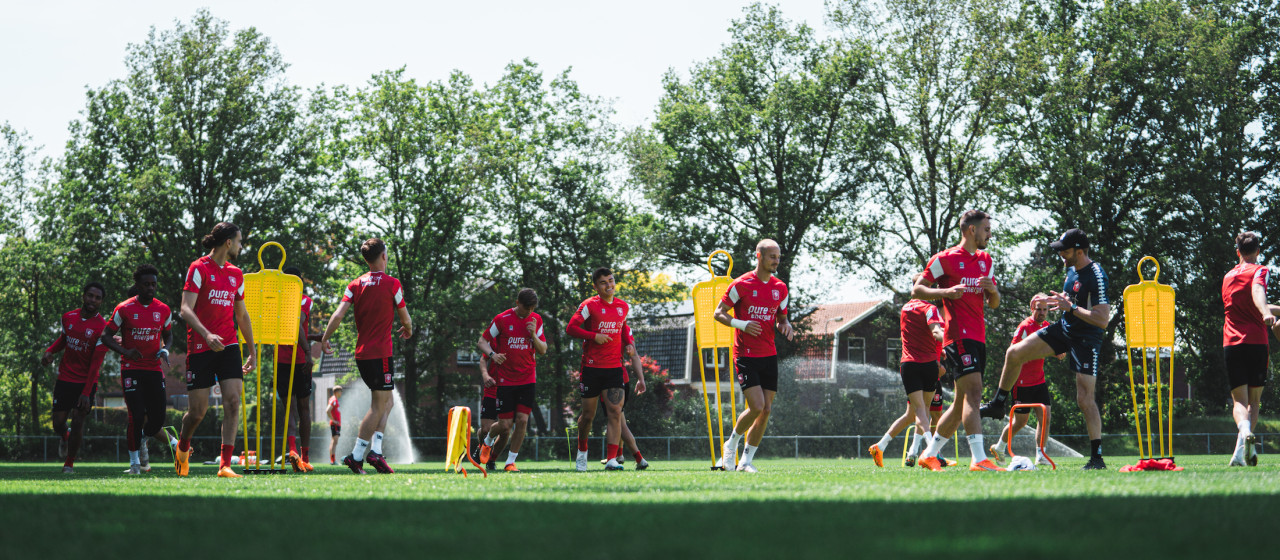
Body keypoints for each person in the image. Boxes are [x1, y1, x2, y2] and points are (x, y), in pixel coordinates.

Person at [980, 228, 1110, 470]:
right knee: (1014, 353)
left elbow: (1102, 319)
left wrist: (1070, 307)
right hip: (1064, 329)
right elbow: (1072, 298)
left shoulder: (1096, 274)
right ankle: (997, 403)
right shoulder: (1071, 271)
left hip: (1086, 339)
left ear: (1079, 251)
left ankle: (1097, 457)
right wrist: (1059, 300)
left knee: (1084, 399)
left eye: (1065, 251)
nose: (1061, 255)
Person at [911, 210, 1003, 472]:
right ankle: (979, 459)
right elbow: (917, 289)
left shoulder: (986, 260)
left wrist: (993, 291)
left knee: (962, 401)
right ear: (971, 230)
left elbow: (994, 304)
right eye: (986, 229)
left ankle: (929, 454)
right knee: (975, 394)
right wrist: (946, 292)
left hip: (978, 337)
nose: (989, 234)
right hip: (957, 337)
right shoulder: (945, 259)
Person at [321, 238, 412, 475]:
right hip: (381, 353)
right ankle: (358, 455)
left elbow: (339, 315)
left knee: (388, 401)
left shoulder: (354, 284)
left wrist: (325, 337)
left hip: (362, 354)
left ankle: (377, 452)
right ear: (383, 256)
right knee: (377, 406)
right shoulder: (392, 284)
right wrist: (408, 329)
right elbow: (405, 319)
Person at [175, 222, 256, 478]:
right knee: (198, 413)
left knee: (233, 402)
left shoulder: (237, 274)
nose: (242, 246)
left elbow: (242, 316)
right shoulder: (198, 268)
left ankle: (225, 465)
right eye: (240, 241)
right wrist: (206, 334)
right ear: (229, 243)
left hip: (229, 345)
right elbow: (185, 309)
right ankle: (183, 447)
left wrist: (252, 351)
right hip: (200, 345)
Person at [713, 239, 794, 473]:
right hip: (745, 354)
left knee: (766, 410)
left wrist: (785, 327)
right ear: (758, 256)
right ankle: (731, 445)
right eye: (772, 256)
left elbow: (782, 318)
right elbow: (719, 314)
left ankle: (746, 461)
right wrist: (742, 324)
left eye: (778, 257)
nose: (776, 261)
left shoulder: (781, 288)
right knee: (757, 406)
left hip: (769, 354)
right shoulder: (742, 284)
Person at [102, 265, 175, 475]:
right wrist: (125, 350)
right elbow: (106, 336)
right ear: (138, 285)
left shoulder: (164, 309)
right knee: (135, 415)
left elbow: (169, 335)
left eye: (153, 284)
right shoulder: (123, 308)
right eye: (146, 284)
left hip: (154, 369)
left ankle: (143, 437)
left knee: (158, 418)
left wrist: (165, 349)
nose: (151, 287)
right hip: (131, 369)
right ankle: (135, 464)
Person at [567, 267, 632, 472]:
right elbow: (571, 328)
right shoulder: (589, 305)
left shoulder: (623, 307)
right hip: (591, 368)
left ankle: (612, 459)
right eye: (603, 282)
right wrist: (593, 336)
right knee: (588, 416)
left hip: (614, 368)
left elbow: (623, 330)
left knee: (615, 411)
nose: (609, 285)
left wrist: (628, 343)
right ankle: (582, 452)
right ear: (596, 286)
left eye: (611, 280)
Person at [477, 288, 547, 472]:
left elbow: (543, 349)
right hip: (506, 380)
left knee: (523, 420)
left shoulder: (536, 320)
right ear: (517, 303)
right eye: (526, 309)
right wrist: (493, 354)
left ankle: (510, 462)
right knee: (505, 425)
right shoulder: (502, 319)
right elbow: (481, 342)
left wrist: (533, 334)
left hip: (527, 378)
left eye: (532, 309)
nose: (529, 313)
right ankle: (488, 441)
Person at [1221, 232, 1276, 466]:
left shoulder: (1228, 276)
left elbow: (1251, 300)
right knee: (1254, 403)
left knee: (1239, 403)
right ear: (1258, 250)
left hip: (1232, 343)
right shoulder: (1260, 270)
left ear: (1237, 251)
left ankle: (1241, 450)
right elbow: (1257, 292)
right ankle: (1245, 441)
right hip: (1256, 342)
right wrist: (1266, 313)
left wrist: (1269, 309)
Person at [869, 293, 943, 468]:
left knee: (915, 413)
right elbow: (935, 332)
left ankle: (885, 447)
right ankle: (930, 453)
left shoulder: (905, 308)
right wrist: (948, 341)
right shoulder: (930, 310)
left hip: (910, 364)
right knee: (921, 411)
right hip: (928, 365)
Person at [43, 282, 109, 474]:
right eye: (90, 295)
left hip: (86, 382)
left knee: (79, 420)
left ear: (101, 302)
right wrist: (50, 351)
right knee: (57, 423)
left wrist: (86, 393)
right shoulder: (68, 317)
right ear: (83, 296)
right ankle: (65, 436)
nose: (93, 300)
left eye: (97, 298)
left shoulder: (102, 328)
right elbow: (64, 339)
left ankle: (69, 464)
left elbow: (95, 365)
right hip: (65, 378)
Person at [988, 295, 1061, 466]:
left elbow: (1054, 347)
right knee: (1021, 422)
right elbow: (1012, 352)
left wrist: (1058, 351)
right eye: (1038, 309)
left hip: (1039, 380)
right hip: (1021, 382)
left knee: (1046, 417)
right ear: (1032, 308)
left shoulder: (1047, 327)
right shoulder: (1025, 327)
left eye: (1045, 309)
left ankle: (1041, 454)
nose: (1042, 312)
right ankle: (999, 447)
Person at [276, 266, 315, 472]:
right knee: (304, 409)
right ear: (299, 282)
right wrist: (308, 352)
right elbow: (297, 324)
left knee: (289, 410)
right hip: (300, 361)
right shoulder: (304, 300)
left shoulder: (277, 300)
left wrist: (315, 338)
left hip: (280, 360)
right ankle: (304, 456)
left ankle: (293, 451)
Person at [601, 325, 649, 469]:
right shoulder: (624, 328)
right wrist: (641, 379)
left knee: (618, 421)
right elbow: (633, 354)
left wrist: (641, 379)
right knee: (617, 419)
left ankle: (640, 459)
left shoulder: (609, 326)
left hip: (613, 379)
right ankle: (620, 455)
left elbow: (632, 353)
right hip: (622, 379)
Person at [474, 355, 508, 471]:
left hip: (509, 390)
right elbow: (483, 358)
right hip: (492, 390)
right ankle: (481, 447)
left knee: (505, 430)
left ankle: (491, 460)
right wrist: (485, 375)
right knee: (485, 430)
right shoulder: (493, 339)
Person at [326, 386, 343, 465]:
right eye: (340, 391)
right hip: (335, 424)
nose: (341, 393)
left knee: (334, 442)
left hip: (337, 424)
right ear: (336, 392)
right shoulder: (334, 400)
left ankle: (333, 460)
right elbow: (328, 410)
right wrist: (333, 420)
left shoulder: (335, 400)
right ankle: (333, 460)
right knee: (334, 442)